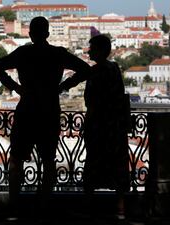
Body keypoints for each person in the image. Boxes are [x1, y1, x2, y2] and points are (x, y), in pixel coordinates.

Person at [0, 16, 91, 213]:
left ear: (30, 34)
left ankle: (14, 203)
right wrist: (63, 86)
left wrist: (16, 88)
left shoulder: (23, 53)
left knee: (17, 159)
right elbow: (85, 70)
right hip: (49, 110)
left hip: (27, 108)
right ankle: (44, 204)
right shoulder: (58, 54)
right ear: (47, 34)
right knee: (48, 160)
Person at [60, 34, 130, 219]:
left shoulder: (96, 72)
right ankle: (121, 208)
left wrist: (87, 125)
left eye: (91, 48)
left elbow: (93, 101)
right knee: (117, 165)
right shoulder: (114, 68)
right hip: (115, 125)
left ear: (99, 50)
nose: (88, 51)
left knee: (93, 164)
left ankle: (88, 205)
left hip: (100, 125)